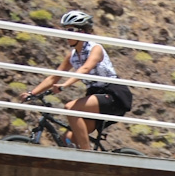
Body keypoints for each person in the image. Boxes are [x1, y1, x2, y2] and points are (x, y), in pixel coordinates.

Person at [20, 10, 132, 150]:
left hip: (112, 95)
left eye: (70, 30)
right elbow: (54, 77)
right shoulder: (72, 56)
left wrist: (64, 85)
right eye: (66, 30)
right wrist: (32, 93)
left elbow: (85, 68)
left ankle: (87, 154)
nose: (67, 34)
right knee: (67, 139)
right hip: (94, 96)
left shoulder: (95, 48)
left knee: (71, 108)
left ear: (82, 32)